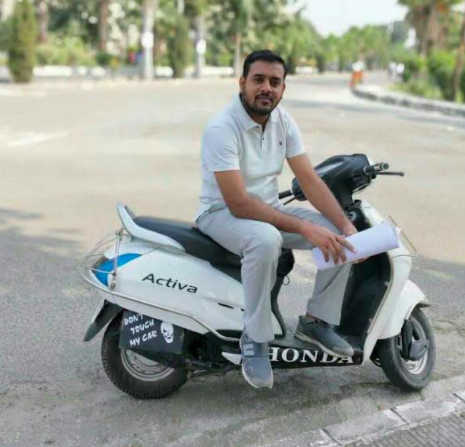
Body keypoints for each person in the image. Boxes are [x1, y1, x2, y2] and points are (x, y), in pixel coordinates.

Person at [195, 50, 358, 389]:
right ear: (242, 83)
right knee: (266, 239)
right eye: (258, 80)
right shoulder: (221, 128)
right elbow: (239, 203)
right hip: (221, 214)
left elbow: (310, 180)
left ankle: (316, 321)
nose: (266, 88)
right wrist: (304, 227)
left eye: (274, 81)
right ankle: (254, 338)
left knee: (338, 235)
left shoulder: (283, 121)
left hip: (268, 209)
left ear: (283, 88)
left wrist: (345, 225)